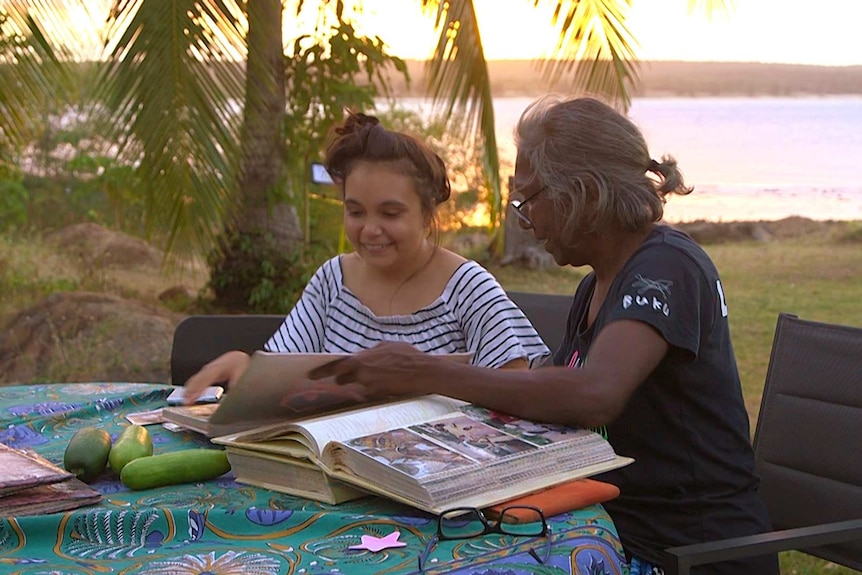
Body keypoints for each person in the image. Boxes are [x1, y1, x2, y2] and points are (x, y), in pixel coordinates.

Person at [309, 96, 780, 575]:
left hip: (687, 553)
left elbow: (593, 394)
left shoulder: (667, 268)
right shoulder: (595, 287)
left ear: (585, 193)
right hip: (608, 529)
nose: (523, 218)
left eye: (530, 199)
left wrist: (424, 372)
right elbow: (549, 391)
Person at [183, 111, 550, 403]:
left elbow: (515, 385)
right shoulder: (332, 281)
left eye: (390, 214)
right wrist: (243, 365)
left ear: (426, 215)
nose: (370, 230)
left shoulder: (467, 288)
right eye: (356, 212)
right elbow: (282, 370)